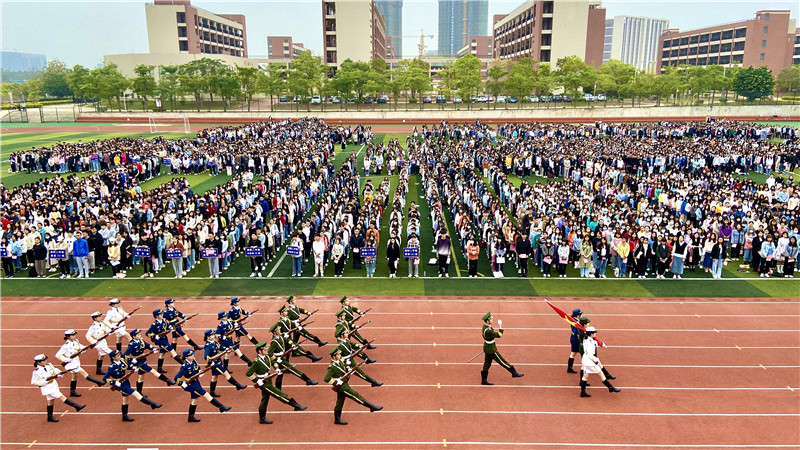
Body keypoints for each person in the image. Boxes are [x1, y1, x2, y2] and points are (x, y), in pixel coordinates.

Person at [246, 341, 308, 424]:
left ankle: (262, 418)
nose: (266, 350)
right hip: (263, 383)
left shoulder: (267, 357)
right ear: (259, 351)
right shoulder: (257, 362)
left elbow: (273, 362)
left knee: (265, 399)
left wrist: (277, 368)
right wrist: (257, 380)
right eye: (264, 350)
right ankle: (295, 405)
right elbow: (248, 373)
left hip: (268, 379)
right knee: (278, 393)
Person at [324, 347, 383, 425]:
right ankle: (371, 407)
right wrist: (336, 382)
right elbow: (326, 379)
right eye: (338, 354)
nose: (340, 355)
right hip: (341, 386)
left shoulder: (339, 361)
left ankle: (337, 419)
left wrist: (348, 369)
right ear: (334, 356)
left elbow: (344, 365)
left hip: (343, 383)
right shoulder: (332, 367)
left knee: (340, 402)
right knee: (355, 395)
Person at [103, 350, 163, 422]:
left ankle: (124, 416)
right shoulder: (111, 367)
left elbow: (127, 366)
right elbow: (105, 378)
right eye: (117, 355)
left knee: (125, 400)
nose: (120, 356)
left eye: (119, 355)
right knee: (136, 394)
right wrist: (114, 383)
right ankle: (152, 404)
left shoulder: (121, 361)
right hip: (121, 386)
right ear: (113, 358)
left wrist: (133, 367)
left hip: (126, 382)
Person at [174, 349, 232, 422]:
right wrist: (182, 383)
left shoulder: (193, 361)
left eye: (192, 354)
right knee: (206, 394)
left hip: (196, 382)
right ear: (186, 357)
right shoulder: (184, 367)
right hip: (191, 385)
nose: (193, 356)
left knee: (195, 400)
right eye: (191, 355)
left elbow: (197, 368)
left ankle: (190, 417)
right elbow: (176, 378)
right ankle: (221, 407)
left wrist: (200, 372)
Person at [31, 354, 86, 422]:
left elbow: (55, 370)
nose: (46, 361)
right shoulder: (36, 372)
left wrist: (59, 373)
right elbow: (34, 381)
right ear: (38, 363)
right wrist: (44, 382)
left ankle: (49, 417)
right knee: (62, 397)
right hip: (47, 388)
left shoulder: (49, 365)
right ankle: (76, 406)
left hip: (54, 385)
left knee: (51, 401)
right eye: (43, 360)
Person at [123, 328, 177, 394]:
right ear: (134, 337)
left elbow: (147, 345)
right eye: (138, 335)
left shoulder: (141, 341)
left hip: (143, 360)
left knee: (141, 378)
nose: (140, 335)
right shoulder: (131, 345)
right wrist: (131, 360)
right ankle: (167, 380)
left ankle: (139, 392)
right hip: (139, 363)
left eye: (139, 334)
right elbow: (124, 355)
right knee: (153, 371)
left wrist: (153, 348)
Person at [266, 323, 319, 389]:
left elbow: (287, 340)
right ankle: (308, 380)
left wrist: (292, 344)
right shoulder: (274, 342)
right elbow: (269, 353)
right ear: (274, 332)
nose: (280, 331)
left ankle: (278, 389)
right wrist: (276, 359)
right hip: (280, 360)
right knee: (293, 370)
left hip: (283, 357)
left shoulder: (280, 336)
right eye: (278, 330)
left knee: (280, 375)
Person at [55, 329, 105, 397]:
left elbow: (80, 347)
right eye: (73, 335)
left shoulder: (76, 341)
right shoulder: (65, 346)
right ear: (68, 337)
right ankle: (98, 382)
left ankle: (72, 392)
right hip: (70, 364)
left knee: (74, 377)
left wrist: (85, 348)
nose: (75, 336)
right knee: (83, 373)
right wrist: (66, 359)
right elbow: (58, 355)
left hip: (76, 361)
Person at [480, 312, 523, 385]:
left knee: (487, 364)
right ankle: (514, 372)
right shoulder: (488, 330)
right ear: (487, 320)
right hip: (491, 349)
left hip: (487, 347)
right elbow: (499, 335)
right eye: (491, 319)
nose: (492, 320)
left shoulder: (485, 327)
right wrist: (500, 325)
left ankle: (484, 380)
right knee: (502, 361)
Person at [202, 329, 248, 397]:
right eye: (212, 335)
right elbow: (206, 356)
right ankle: (237, 385)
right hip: (215, 364)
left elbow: (219, 347)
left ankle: (212, 392)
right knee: (226, 374)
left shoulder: (214, 342)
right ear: (208, 337)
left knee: (214, 377)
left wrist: (225, 349)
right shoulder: (208, 345)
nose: (214, 335)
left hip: (218, 361)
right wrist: (210, 362)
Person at [580, 326, 620, 397]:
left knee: (585, 376)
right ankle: (610, 388)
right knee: (601, 374)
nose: (595, 334)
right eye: (594, 333)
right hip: (590, 362)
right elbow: (590, 355)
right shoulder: (590, 343)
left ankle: (582, 392)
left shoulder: (586, 339)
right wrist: (595, 360)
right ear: (591, 334)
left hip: (585, 360)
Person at [145, 309, 185, 374]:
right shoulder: (154, 324)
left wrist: (171, 328)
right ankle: (183, 364)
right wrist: (154, 336)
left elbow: (167, 326)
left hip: (164, 339)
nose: (162, 315)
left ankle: (159, 368)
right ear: (156, 316)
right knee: (172, 351)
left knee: (162, 354)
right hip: (160, 341)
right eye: (160, 314)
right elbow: (147, 333)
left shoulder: (163, 320)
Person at [86, 311, 114, 375]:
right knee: (112, 353)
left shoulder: (102, 323)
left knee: (101, 355)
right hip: (98, 343)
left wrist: (110, 331)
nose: (101, 317)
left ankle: (98, 370)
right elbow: (88, 335)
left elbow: (106, 330)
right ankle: (114, 368)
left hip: (103, 341)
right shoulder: (93, 326)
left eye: (100, 316)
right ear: (95, 318)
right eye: (99, 317)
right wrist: (93, 341)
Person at [566, 309, 583, 374]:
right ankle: (585, 368)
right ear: (578, 315)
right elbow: (577, 333)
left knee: (573, 353)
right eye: (580, 314)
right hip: (576, 340)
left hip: (574, 338)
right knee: (580, 353)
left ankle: (569, 368)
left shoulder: (574, 320)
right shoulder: (576, 322)